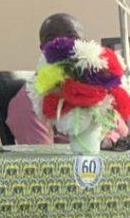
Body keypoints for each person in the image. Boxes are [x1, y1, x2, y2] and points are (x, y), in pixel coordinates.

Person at [7, 12, 128, 146]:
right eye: (52, 39)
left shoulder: (97, 88)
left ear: (84, 45)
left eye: (72, 37)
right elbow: (42, 156)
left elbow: (123, 132)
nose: (63, 45)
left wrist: (110, 140)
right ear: (42, 49)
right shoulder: (31, 102)